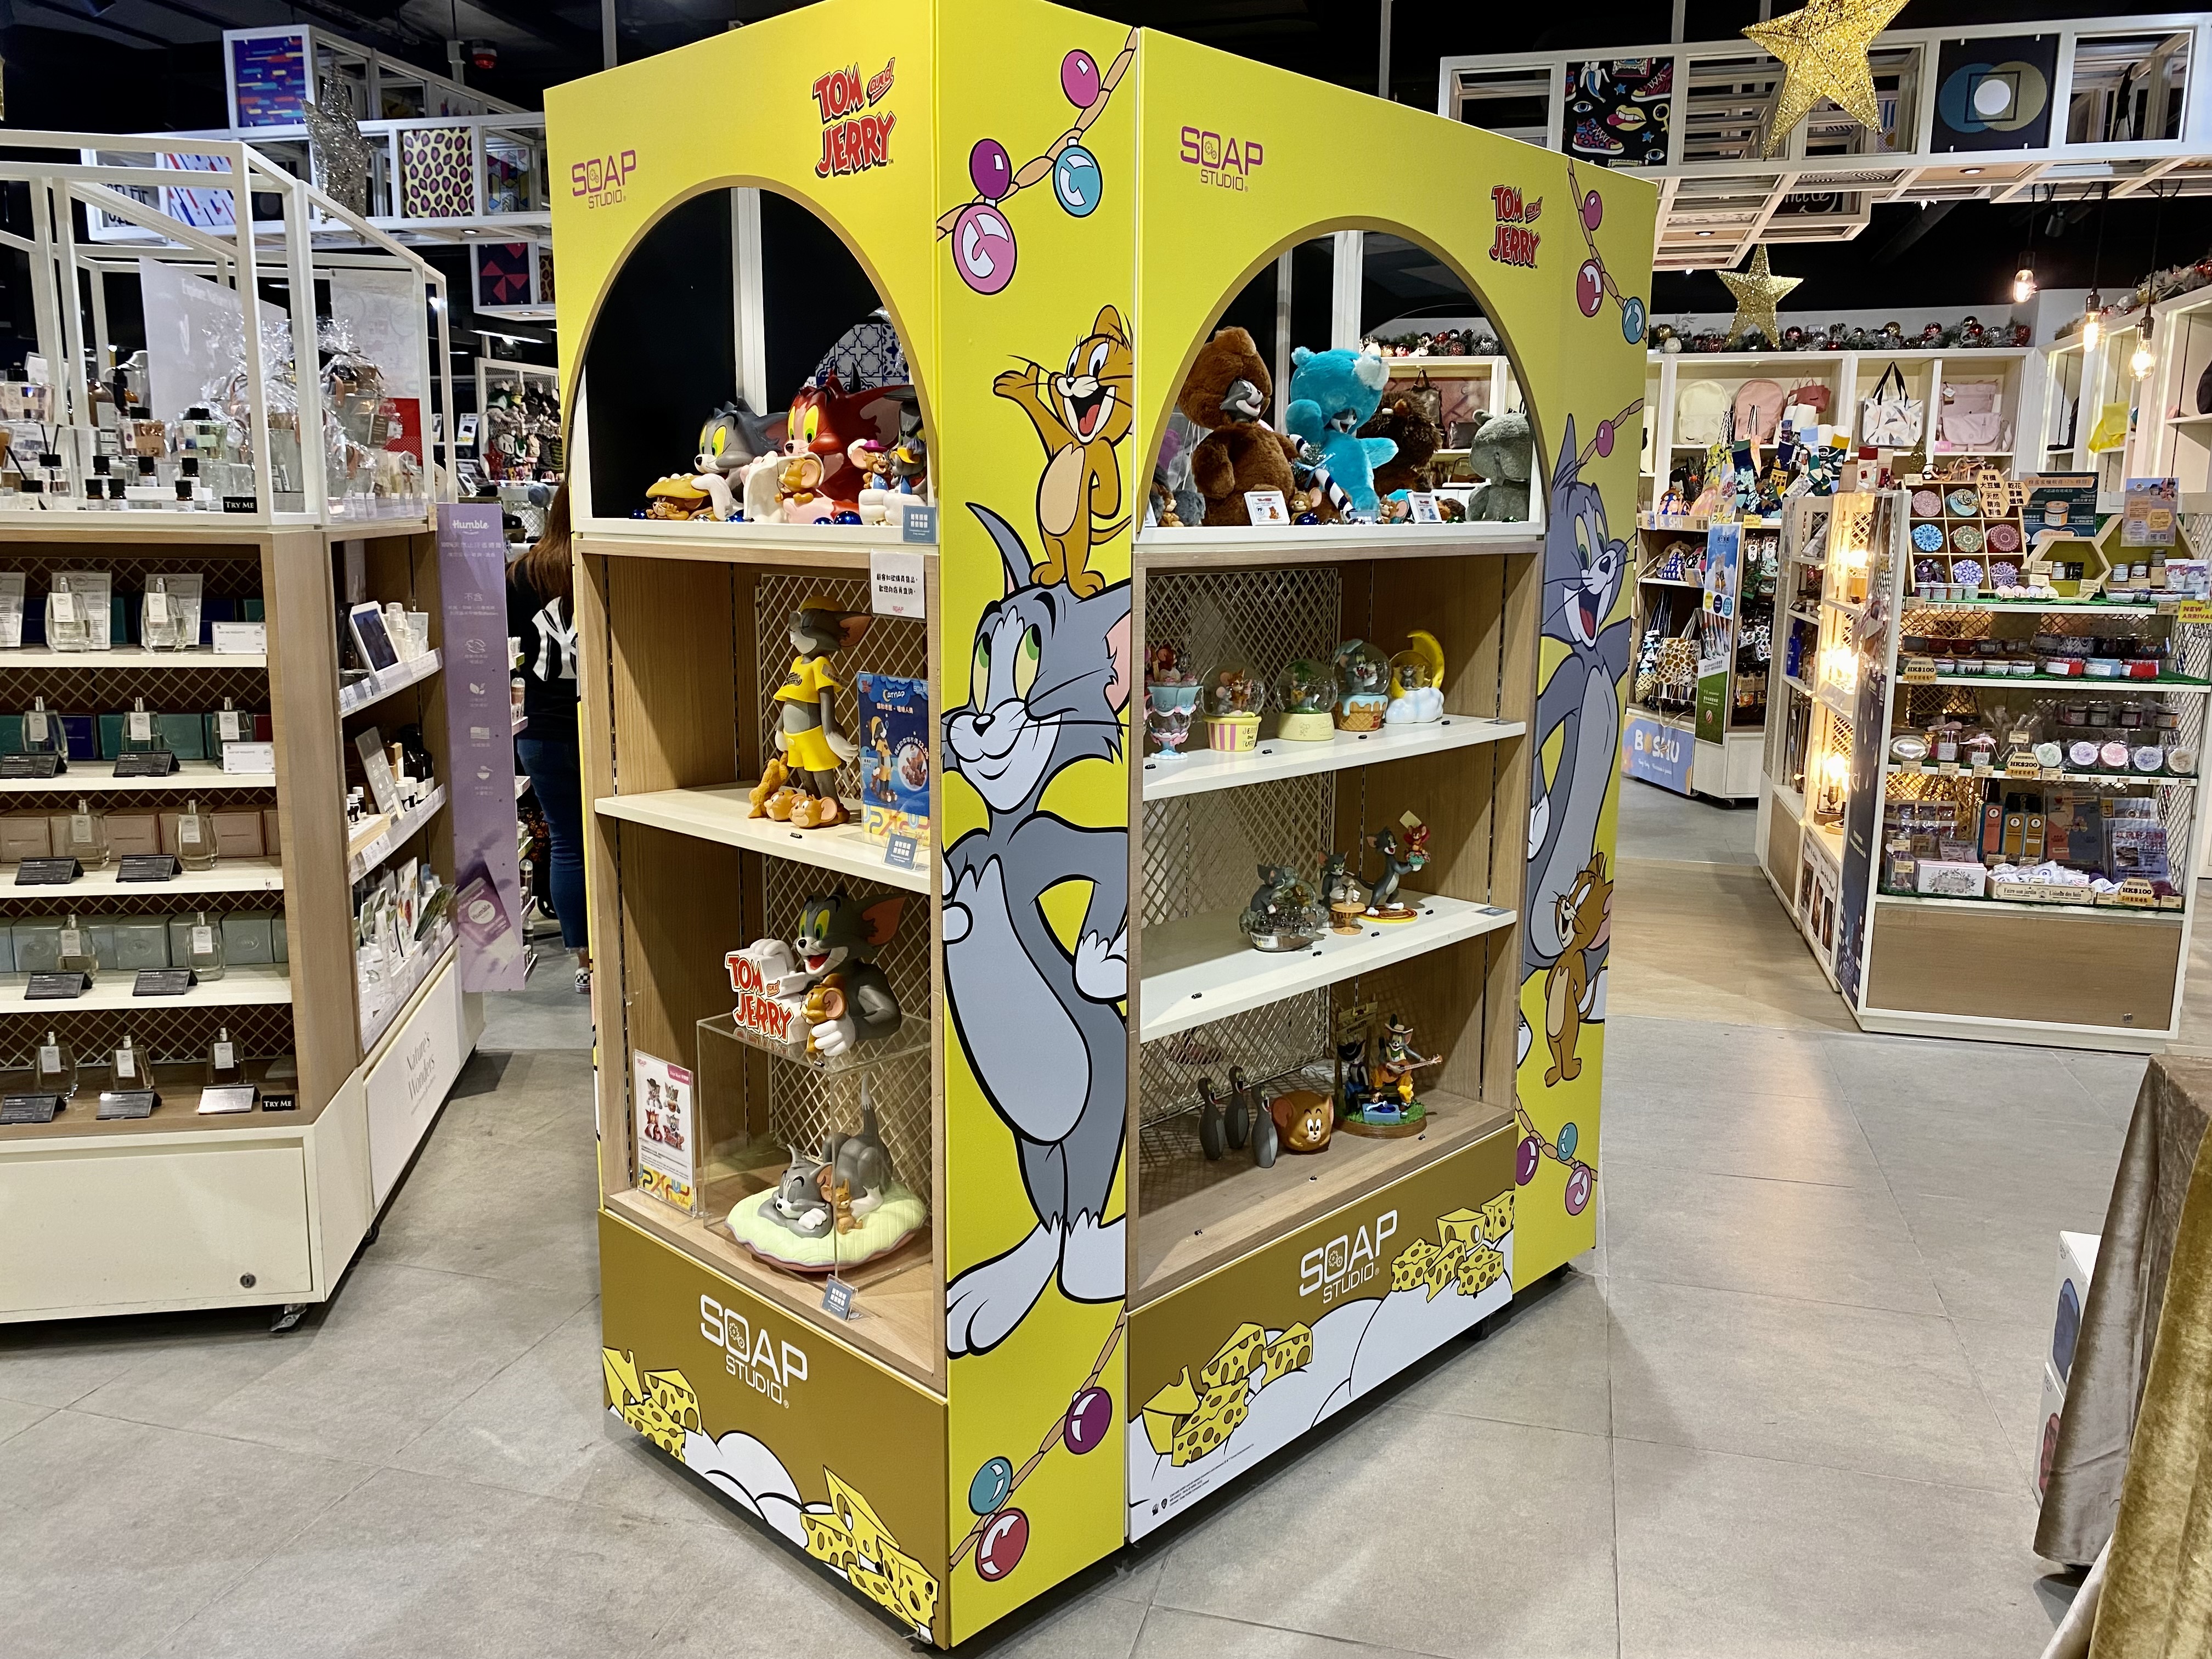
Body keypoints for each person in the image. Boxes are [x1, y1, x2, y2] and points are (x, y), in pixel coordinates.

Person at [508, 484, 590, 992]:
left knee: (566, 843)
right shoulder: (595, 563)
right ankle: (619, 945)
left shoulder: (520, 574)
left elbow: (510, 651)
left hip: (538, 727)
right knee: (610, 840)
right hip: (597, 725)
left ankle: (584, 961)